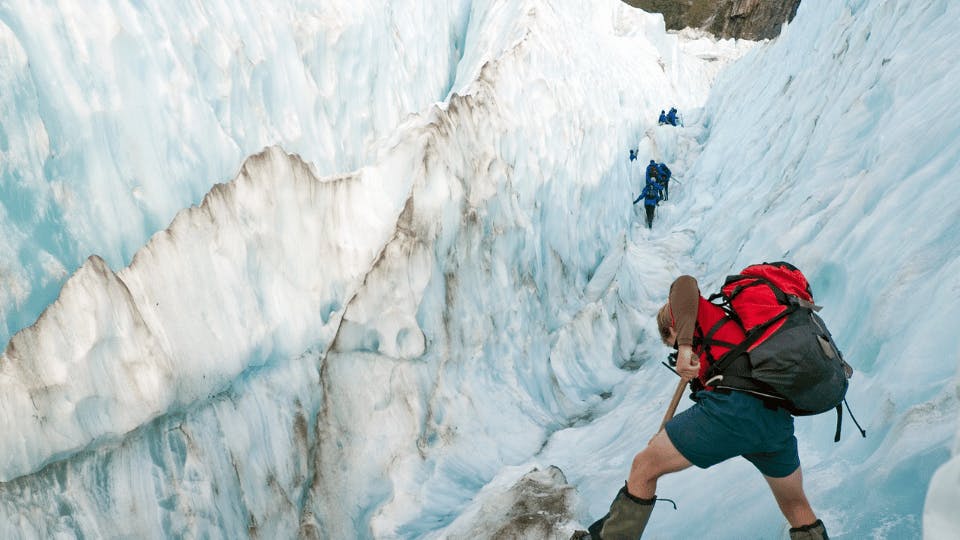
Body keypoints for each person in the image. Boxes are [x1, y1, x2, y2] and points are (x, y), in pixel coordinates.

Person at [576, 275, 829, 539]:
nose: (678, 354)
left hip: (735, 409)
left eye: (673, 345)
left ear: (673, 325)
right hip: (774, 421)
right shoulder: (731, 336)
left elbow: (684, 284)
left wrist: (684, 346)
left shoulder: (696, 313)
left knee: (643, 467)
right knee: (796, 506)